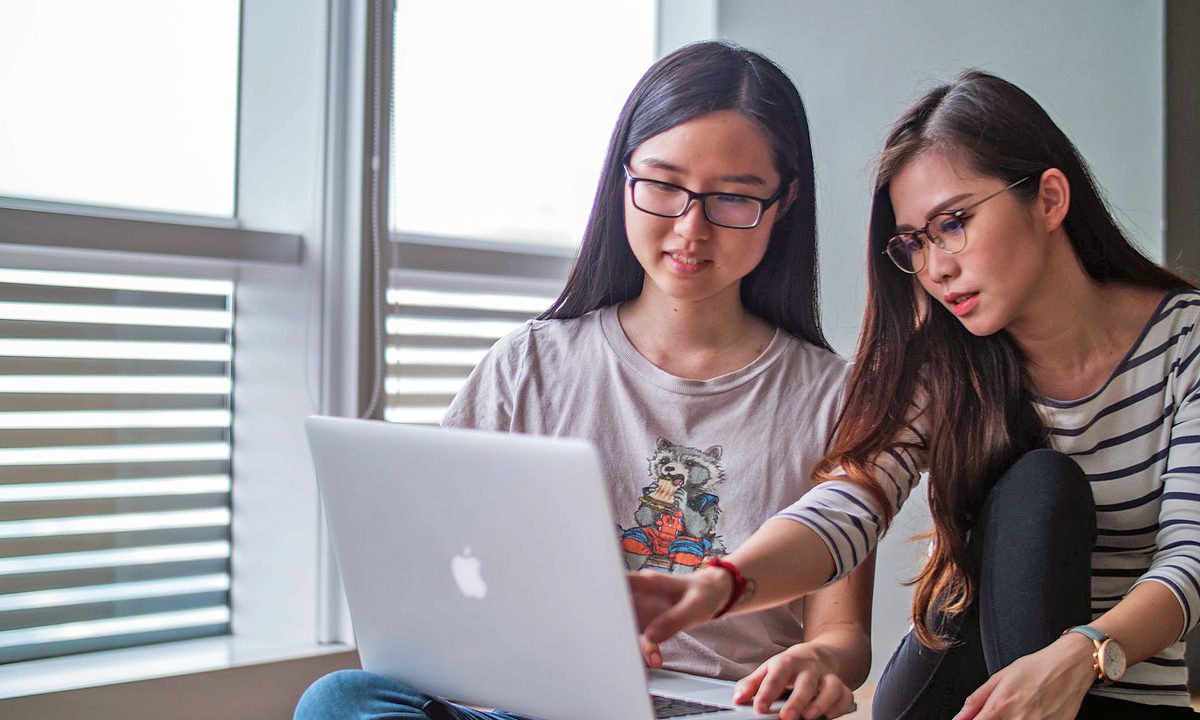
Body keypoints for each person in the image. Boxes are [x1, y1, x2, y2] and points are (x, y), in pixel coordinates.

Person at [294, 41, 873, 720]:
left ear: (782, 203)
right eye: (662, 185)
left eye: (733, 199)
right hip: (542, 705)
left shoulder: (839, 399)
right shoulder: (528, 367)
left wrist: (817, 663)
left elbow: (842, 635)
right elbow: (441, 589)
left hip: (723, 709)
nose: (691, 228)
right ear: (621, 177)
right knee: (341, 699)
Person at [630, 69, 1200, 720]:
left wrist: (1085, 652)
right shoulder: (944, 359)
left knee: (1046, 486)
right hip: (964, 683)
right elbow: (851, 501)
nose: (936, 269)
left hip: (1115, 690)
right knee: (1036, 487)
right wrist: (719, 584)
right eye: (914, 243)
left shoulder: (1186, 340)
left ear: (1048, 199)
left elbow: (1193, 553)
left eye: (953, 223)